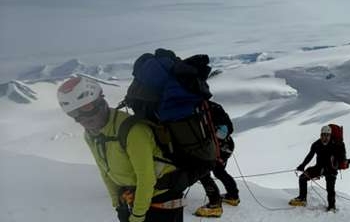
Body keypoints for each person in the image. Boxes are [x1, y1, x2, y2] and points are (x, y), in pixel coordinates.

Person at [57, 76, 186, 222]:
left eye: (86, 107)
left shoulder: (133, 130)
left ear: (101, 101)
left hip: (163, 195)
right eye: (73, 113)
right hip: (137, 196)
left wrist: (138, 215)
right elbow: (105, 171)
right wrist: (118, 204)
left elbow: (146, 178)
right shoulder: (91, 135)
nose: (82, 117)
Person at [194, 101, 241, 218]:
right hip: (226, 146)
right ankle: (233, 196)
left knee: (203, 172)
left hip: (217, 148)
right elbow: (226, 129)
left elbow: (221, 131)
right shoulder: (214, 107)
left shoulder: (201, 108)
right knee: (219, 171)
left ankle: (215, 204)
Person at [289, 125, 347, 212]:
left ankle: (331, 207)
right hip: (319, 167)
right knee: (303, 178)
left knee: (330, 188)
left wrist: (337, 164)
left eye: (327, 135)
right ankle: (302, 199)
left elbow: (341, 159)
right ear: (320, 135)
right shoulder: (316, 144)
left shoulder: (336, 145)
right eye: (324, 135)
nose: (325, 137)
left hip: (331, 169)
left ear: (330, 135)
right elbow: (310, 156)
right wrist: (302, 165)